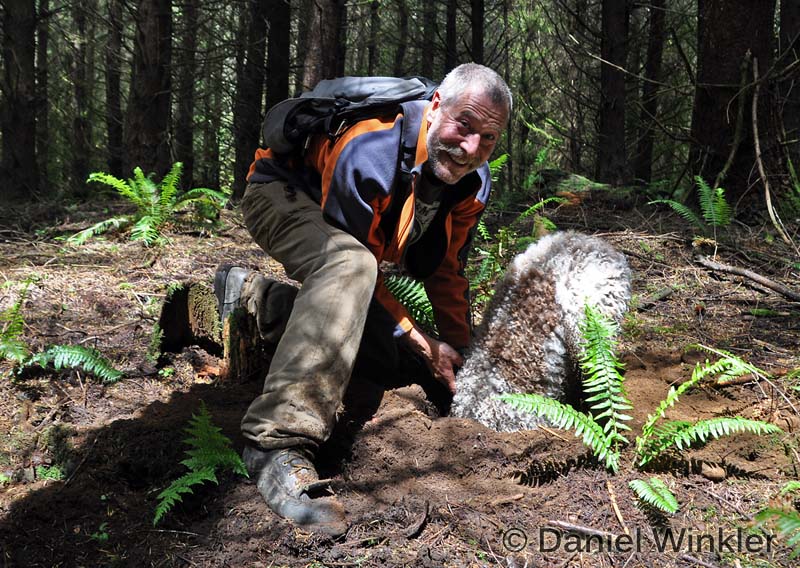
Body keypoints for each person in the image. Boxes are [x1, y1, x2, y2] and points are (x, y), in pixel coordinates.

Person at [215, 63, 511, 536]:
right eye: (464, 125)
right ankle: (276, 440)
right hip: (282, 193)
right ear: (436, 108)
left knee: (380, 355)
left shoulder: (472, 182)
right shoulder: (371, 148)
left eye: (489, 138)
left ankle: (260, 300)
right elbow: (356, 267)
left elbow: (447, 270)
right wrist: (421, 340)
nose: (471, 148)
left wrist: (462, 358)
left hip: (352, 255)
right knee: (350, 268)